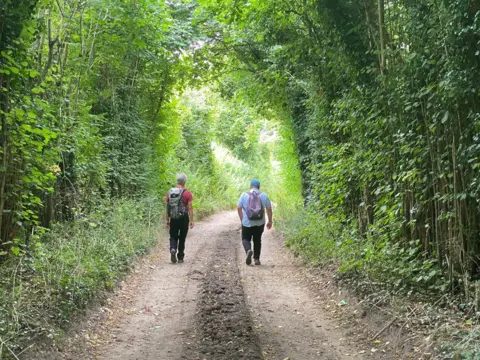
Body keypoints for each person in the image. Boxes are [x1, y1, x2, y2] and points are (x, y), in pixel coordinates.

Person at [237, 179, 273, 265]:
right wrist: (270, 221)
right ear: (259, 187)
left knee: (245, 238)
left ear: (250, 186)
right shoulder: (264, 195)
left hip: (247, 222)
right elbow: (269, 209)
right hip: (260, 222)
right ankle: (256, 259)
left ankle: (248, 250)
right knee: (257, 240)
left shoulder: (244, 195)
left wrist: (242, 220)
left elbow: (239, 208)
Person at [165, 173, 194, 264]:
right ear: (184, 182)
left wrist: (167, 220)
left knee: (173, 235)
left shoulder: (170, 192)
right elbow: (190, 207)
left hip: (173, 217)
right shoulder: (187, 193)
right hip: (184, 218)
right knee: (182, 237)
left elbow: (168, 207)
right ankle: (180, 256)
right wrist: (192, 220)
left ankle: (173, 248)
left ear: (177, 181)